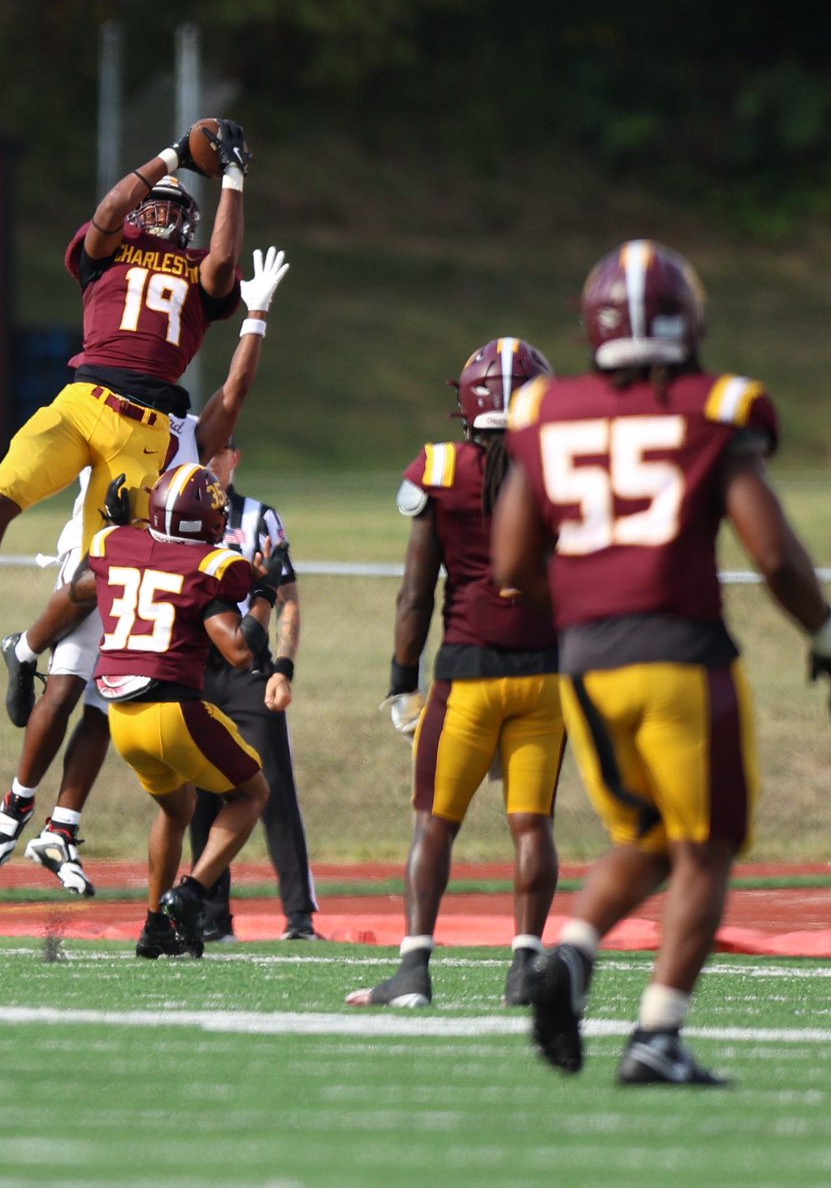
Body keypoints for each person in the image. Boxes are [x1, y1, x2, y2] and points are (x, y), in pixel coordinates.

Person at [491, 239, 831, 1085]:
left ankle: (568, 956)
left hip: (586, 660)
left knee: (643, 835)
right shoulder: (714, 404)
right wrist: (821, 631)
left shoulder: (545, 411)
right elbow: (777, 557)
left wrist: (580, 610)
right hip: (679, 655)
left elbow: (508, 564)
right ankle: (656, 1036)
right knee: (704, 847)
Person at [0, 248, 291, 889]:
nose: (219, 460)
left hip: (145, 568)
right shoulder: (159, 421)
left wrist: (255, 314)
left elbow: (237, 389)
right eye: (217, 450)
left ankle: (62, 824)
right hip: (109, 545)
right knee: (68, 680)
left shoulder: (199, 445)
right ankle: (18, 788)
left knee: (105, 695)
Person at [0, 118, 251, 679]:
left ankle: (27, 648)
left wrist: (232, 176)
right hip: (82, 400)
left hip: (146, 427)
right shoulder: (109, 248)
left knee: (106, 569)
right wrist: (173, 156)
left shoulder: (197, 269)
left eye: (178, 208)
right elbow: (109, 211)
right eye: (157, 202)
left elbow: (226, 265)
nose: (167, 212)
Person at [345, 337, 565, 1011]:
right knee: (531, 825)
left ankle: (413, 969)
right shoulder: (560, 467)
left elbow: (414, 594)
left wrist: (400, 677)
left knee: (434, 825)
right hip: (546, 675)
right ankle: (524, 965)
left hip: (466, 671)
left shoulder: (439, 467)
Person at [70, 461, 289, 958]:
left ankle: (154, 928)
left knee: (176, 806)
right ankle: (191, 894)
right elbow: (238, 651)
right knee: (253, 793)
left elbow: (91, 577)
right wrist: (265, 593)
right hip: (174, 711)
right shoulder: (212, 566)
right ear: (212, 521)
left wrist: (113, 525)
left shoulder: (114, 544)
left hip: (121, 718)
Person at [190, 437, 320, 941]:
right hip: (196, 666)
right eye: (199, 454)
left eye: (217, 453)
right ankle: (210, 918)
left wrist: (283, 667)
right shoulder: (174, 513)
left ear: (235, 457)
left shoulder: (258, 517)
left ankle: (299, 919)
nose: (208, 463)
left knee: (273, 788)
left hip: (249, 669)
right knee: (201, 793)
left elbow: (287, 598)